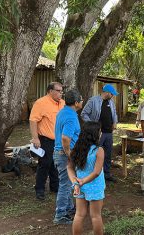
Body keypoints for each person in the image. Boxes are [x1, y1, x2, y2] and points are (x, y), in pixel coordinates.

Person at [67, 122, 106, 235]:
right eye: (99, 131)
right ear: (95, 134)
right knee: (96, 216)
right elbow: (96, 172)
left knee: (79, 215)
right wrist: (82, 181)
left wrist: (75, 182)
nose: (101, 133)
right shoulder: (98, 150)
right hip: (94, 186)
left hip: (79, 187)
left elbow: (69, 168)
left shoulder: (76, 149)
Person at [29, 82, 64, 200]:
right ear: (50, 91)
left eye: (61, 91)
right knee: (44, 164)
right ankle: (39, 189)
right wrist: (35, 138)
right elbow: (33, 121)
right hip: (46, 140)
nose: (61, 93)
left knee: (56, 164)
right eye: (58, 91)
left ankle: (55, 186)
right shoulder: (41, 103)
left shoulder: (63, 103)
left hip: (59, 140)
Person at [53, 90, 83, 224]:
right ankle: (60, 215)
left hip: (59, 153)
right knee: (65, 185)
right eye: (81, 100)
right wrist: (69, 154)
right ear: (76, 103)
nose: (82, 102)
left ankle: (69, 207)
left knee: (69, 182)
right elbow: (65, 138)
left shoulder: (63, 111)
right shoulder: (71, 116)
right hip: (64, 155)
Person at [81, 84, 118, 183]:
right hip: (97, 134)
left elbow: (114, 113)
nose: (113, 96)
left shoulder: (111, 101)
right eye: (112, 94)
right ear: (106, 92)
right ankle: (92, 175)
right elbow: (83, 114)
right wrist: (93, 126)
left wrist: (115, 122)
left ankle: (106, 174)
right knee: (94, 154)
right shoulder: (93, 100)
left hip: (109, 133)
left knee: (108, 154)